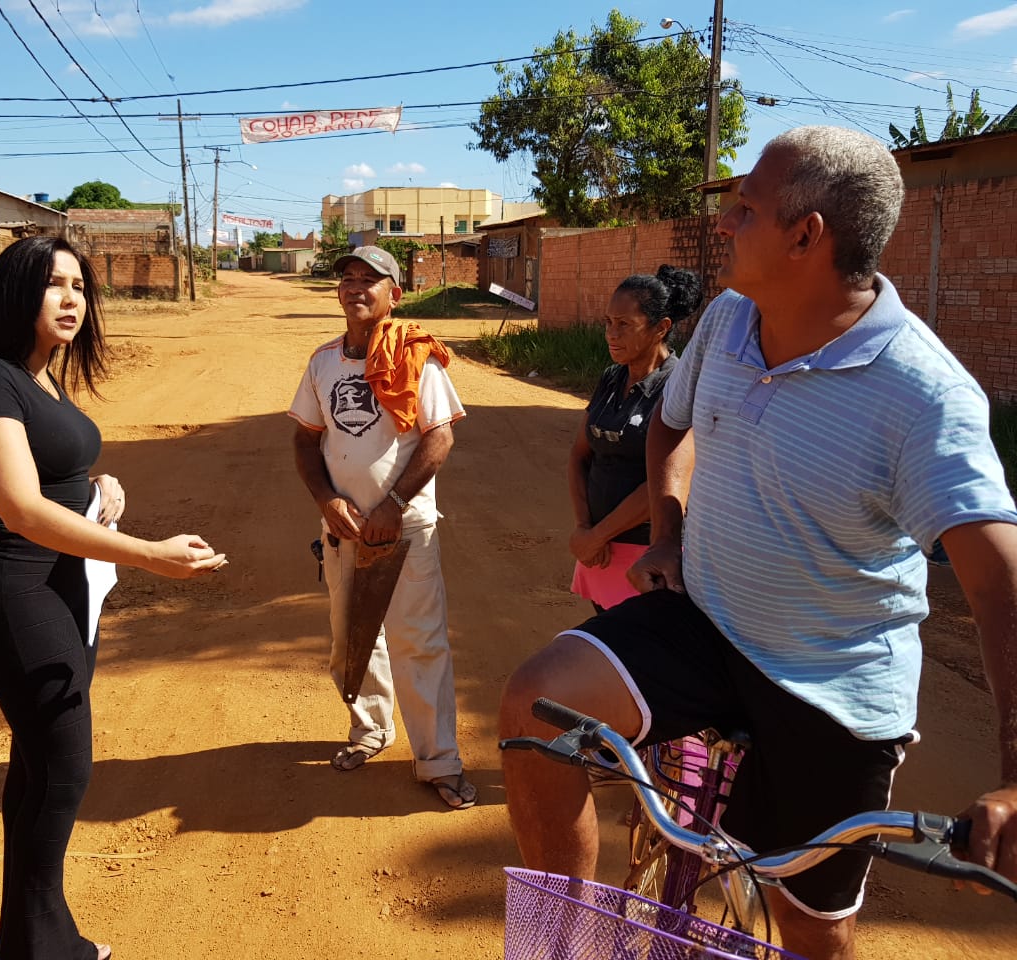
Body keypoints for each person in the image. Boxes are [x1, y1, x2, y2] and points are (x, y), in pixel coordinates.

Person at [499, 126, 1017, 960]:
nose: (726, 225)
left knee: (811, 931)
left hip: (831, 686)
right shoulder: (731, 320)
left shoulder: (923, 396)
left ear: (807, 236)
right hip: (707, 620)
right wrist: (665, 531)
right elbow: (672, 428)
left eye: (745, 208)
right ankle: (569, 948)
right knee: (535, 706)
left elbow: (1000, 588)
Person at [0, 235, 226, 960]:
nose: (72, 299)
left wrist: (96, 487)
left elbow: (47, 479)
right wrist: (150, 556)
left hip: (62, 583)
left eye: (79, 285)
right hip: (10, 590)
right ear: (15, 293)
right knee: (64, 769)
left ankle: (34, 943)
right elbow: (18, 509)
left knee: (37, 767)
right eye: (52, 285)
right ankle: (43, 951)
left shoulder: (40, 378)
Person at [289, 245, 476, 810]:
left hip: (404, 527)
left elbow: (439, 437)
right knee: (352, 637)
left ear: (395, 294)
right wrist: (326, 500)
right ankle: (369, 730)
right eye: (347, 278)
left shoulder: (418, 357)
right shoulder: (323, 363)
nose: (356, 288)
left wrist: (393, 502)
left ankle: (438, 759)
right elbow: (304, 439)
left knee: (418, 641)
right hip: (344, 529)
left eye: (371, 280)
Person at [568, 266, 700, 611]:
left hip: (647, 557)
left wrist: (597, 535)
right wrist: (584, 529)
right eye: (608, 322)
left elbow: (666, 480)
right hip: (600, 553)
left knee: (645, 653)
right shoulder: (612, 378)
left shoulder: (678, 388)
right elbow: (580, 455)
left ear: (661, 328)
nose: (611, 334)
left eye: (624, 324)